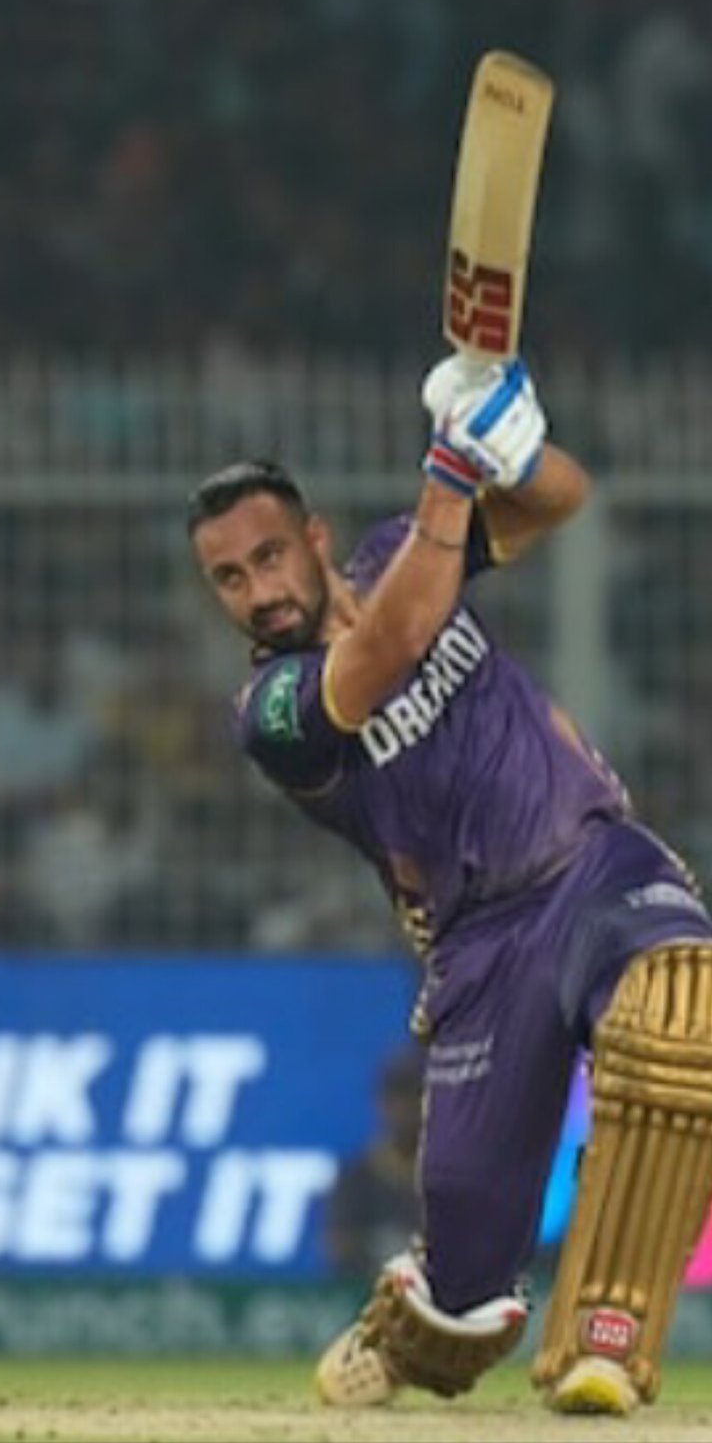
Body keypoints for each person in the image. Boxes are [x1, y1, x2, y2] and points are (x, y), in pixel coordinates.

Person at [188, 353, 712, 1417]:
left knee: (681, 1018)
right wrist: (450, 465)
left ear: (315, 537)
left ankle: (604, 1339)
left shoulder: (400, 548)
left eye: (269, 556)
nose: (259, 592)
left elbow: (560, 497)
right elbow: (390, 643)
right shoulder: (271, 710)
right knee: (464, 1290)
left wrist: (509, 441)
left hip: (594, 865)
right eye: (230, 579)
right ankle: (422, 1313)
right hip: (481, 947)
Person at [323, 1045, 425, 1280]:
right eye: (396, 1098)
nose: (405, 1110)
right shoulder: (357, 1178)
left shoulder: (454, 1177)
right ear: (382, 1103)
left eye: (415, 1097)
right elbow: (337, 1248)